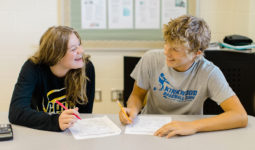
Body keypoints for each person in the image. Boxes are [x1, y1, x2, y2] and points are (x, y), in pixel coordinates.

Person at [119, 15, 248, 138]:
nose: (166, 52)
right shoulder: (150, 59)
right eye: (166, 44)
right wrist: (132, 109)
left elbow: (240, 116)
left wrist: (192, 126)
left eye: (175, 49)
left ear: (196, 53)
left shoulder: (209, 72)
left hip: (187, 132)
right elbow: (137, 95)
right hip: (151, 129)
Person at [9, 26, 95, 131]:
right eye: (73, 49)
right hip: (39, 132)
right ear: (56, 55)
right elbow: (16, 112)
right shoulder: (32, 67)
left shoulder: (87, 67)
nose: (81, 50)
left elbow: (85, 115)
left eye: (79, 44)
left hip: (73, 132)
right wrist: (55, 121)